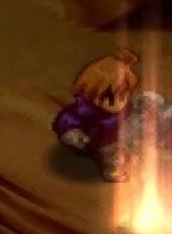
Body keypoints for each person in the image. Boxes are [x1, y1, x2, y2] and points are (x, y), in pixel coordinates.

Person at [52, 48, 139, 180]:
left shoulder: (124, 108)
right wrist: (74, 135)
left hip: (116, 136)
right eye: (110, 98)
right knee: (113, 154)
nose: (120, 102)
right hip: (96, 142)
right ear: (94, 95)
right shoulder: (86, 111)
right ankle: (113, 170)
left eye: (123, 95)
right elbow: (67, 120)